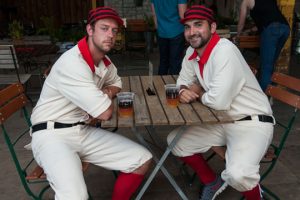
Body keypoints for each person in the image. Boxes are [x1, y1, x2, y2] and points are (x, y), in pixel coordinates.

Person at [30, 7, 152, 200]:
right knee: (75, 196)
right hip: (52, 135)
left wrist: (106, 91)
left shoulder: (104, 60)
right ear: (90, 30)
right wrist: (103, 100)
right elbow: (105, 113)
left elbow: (117, 83)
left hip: (82, 129)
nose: (110, 35)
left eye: (114, 30)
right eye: (104, 28)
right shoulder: (72, 63)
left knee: (141, 159)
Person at [167, 5, 274, 200]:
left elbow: (218, 102)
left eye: (198, 25)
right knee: (176, 142)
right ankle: (211, 181)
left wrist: (198, 90)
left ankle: (255, 195)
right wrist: (183, 89)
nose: (192, 32)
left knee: (238, 174)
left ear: (213, 27)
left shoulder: (224, 51)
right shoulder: (192, 52)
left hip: (251, 121)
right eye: (188, 27)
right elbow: (182, 81)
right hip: (222, 121)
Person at [236, 0, 290, 91]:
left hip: (271, 31)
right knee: (270, 64)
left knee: (266, 67)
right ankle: (270, 95)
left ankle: (261, 99)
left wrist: (237, 35)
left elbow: (241, 23)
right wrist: (249, 31)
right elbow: (270, 18)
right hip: (285, 29)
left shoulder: (246, 1)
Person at [151, 0, 187, 75]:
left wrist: (159, 29)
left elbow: (154, 15)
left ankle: (160, 84)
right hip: (177, 32)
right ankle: (173, 84)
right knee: (175, 62)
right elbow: (182, 16)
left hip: (161, 32)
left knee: (163, 62)